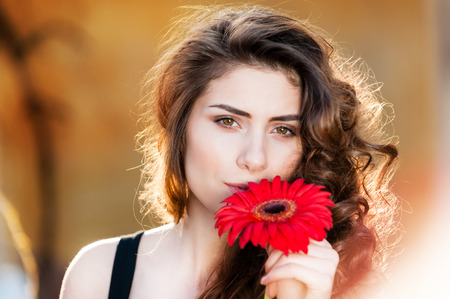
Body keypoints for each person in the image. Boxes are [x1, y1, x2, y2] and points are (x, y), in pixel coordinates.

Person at [59, 5, 399, 299]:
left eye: (283, 130)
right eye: (227, 121)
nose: (254, 158)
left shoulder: (338, 281)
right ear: (180, 126)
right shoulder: (99, 274)